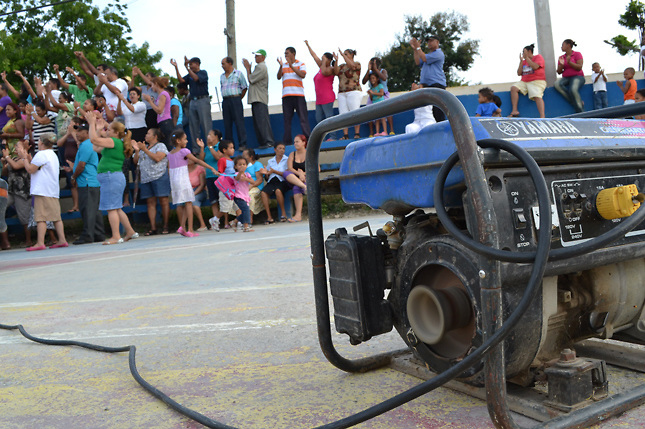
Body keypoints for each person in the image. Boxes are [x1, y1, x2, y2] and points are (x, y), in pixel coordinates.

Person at [85, 113, 138, 245]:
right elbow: (96, 147)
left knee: (111, 208)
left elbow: (93, 140)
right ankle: (130, 231)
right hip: (114, 177)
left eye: (108, 130)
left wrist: (91, 123)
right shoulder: (115, 143)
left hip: (110, 176)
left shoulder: (113, 141)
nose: (106, 131)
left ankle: (116, 236)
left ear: (115, 132)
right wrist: (97, 129)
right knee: (116, 207)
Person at [15, 133, 68, 251]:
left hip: (42, 190)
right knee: (56, 217)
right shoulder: (52, 154)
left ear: (42, 143)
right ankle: (62, 239)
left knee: (40, 217)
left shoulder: (41, 154)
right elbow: (36, 165)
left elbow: (30, 169)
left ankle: (40, 242)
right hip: (52, 189)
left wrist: (23, 158)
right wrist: (28, 157)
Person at [167, 129, 217, 237]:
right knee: (189, 203)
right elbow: (198, 161)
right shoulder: (184, 151)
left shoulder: (170, 154)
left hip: (174, 181)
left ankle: (182, 227)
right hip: (182, 179)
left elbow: (169, 169)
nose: (187, 141)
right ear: (178, 141)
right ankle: (190, 229)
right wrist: (211, 168)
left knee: (185, 203)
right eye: (185, 139)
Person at [69, 119, 105, 244]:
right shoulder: (88, 144)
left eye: (80, 131)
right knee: (94, 210)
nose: (77, 133)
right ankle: (98, 233)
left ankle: (87, 235)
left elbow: (81, 165)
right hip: (91, 181)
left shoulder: (86, 145)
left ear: (87, 133)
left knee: (87, 209)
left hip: (87, 181)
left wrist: (73, 177)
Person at [132, 128, 171, 236]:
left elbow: (158, 158)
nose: (146, 135)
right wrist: (136, 150)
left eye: (148, 133)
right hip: (146, 178)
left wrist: (145, 150)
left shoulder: (160, 146)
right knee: (150, 203)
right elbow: (135, 162)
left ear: (155, 136)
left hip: (159, 176)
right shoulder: (143, 148)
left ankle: (166, 226)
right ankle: (153, 227)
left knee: (163, 201)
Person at [171, 56, 211, 152]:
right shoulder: (190, 75)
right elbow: (181, 81)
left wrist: (187, 68)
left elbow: (196, 78)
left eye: (191, 64)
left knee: (206, 125)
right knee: (193, 127)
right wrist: (176, 67)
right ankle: (196, 150)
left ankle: (210, 148)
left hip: (203, 100)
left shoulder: (203, 73)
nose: (190, 66)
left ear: (197, 64)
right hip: (193, 101)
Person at [1, 139, 32, 247]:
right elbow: (5, 172)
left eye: (18, 146)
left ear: (24, 148)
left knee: (24, 216)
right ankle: (5, 242)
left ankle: (29, 240)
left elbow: (16, 166)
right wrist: (4, 162)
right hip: (11, 190)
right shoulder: (13, 158)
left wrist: (7, 157)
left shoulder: (26, 158)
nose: (16, 148)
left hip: (22, 191)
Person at [277, 47, 311, 145]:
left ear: (293, 53)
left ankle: (308, 139)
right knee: (287, 120)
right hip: (286, 96)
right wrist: (280, 66)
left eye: (287, 53)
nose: (285, 55)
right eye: (285, 53)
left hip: (298, 95)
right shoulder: (283, 65)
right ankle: (287, 141)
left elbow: (302, 75)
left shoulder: (301, 64)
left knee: (303, 119)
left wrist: (292, 66)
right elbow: (278, 77)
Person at [243, 49, 275, 149]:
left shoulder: (261, 67)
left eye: (257, 56)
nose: (255, 57)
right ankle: (263, 142)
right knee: (258, 122)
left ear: (263, 57)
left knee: (262, 122)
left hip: (259, 98)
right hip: (257, 98)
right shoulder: (259, 67)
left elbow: (251, 79)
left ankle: (268, 141)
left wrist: (248, 69)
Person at [410, 35, 447, 122]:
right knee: (429, 112)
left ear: (437, 42)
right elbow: (418, 61)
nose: (429, 43)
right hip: (426, 85)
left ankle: (441, 131)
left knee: (438, 111)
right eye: (428, 41)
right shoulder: (428, 55)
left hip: (437, 84)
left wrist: (418, 47)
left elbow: (423, 58)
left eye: (431, 41)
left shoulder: (439, 53)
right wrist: (415, 49)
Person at [509, 44, 547, 118]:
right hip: (525, 81)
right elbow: (519, 73)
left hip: (537, 81)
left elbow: (535, 67)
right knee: (514, 88)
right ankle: (514, 111)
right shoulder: (524, 61)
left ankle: (542, 116)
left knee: (537, 95)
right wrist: (521, 61)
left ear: (529, 51)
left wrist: (527, 58)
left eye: (524, 52)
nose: (523, 54)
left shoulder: (538, 57)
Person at [304, 41, 336, 127]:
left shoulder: (330, 69)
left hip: (327, 98)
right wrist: (308, 45)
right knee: (318, 119)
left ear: (329, 60)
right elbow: (314, 56)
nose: (322, 61)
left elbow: (325, 72)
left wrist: (325, 61)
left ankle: (333, 137)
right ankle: (322, 138)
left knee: (329, 118)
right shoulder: (321, 67)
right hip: (319, 99)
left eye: (324, 59)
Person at [197, 129, 223, 229]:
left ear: (216, 136)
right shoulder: (207, 148)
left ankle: (225, 221)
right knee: (213, 201)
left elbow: (218, 157)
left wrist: (211, 147)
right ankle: (216, 223)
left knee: (222, 200)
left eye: (210, 135)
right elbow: (201, 159)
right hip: (209, 177)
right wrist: (202, 148)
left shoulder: (220, 146)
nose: (208, 136)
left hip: (219, 176)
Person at [220, 56, 248, 150]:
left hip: (235, 99)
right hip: (225, 100)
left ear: (230, 63)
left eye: (223, 63)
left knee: (239, 123)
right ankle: (229, 146)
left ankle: (242, 144)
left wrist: (238, 98)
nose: (222, 66)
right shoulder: (222, 76)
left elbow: (244, 87)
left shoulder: (238, 74)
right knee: (227, 124)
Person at [334, 48, 362, 139]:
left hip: (353, 91)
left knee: (355, 112)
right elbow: (336, 72)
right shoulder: (342, 66)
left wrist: (343, 55)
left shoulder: (357, 64)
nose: (344, 56)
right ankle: (345, 135)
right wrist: (336, 61)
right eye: (344, 54)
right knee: (343, 114)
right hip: (342, 92)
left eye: (346, 54)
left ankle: (356, 133)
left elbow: (352, 67)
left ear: (351, 55)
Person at [363, 57, 394, 136]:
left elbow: (384, 78)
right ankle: (372, 132)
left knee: (388, 111)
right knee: (369, 111)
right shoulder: (370, 73)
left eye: (372, 64)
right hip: (373, 96)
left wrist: (376, 69)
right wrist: (368, 70)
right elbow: (363, 82)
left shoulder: (382, 70)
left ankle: (391, 130)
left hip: (383, 94)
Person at [211, 139, 238, 230]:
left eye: (233, 148)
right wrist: (217, 173)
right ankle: (215, 219)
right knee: (224, 209)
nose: (233, 149)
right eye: (231, 148)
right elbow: (220, 173)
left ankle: (241, 222)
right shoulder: (222, 160)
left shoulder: (232, 160)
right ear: (224, 150)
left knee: (237, 206)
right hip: (226, 189)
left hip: (232, 188)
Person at [260, 141, 290, 224]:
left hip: (282, 181)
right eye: (279, 148)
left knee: (278, 191)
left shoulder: (287, 159)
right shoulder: (271, 161)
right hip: (272, 181)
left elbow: (286, 173)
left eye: (283, 149)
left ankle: (283, 214)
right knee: (263, 192)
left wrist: (274, 171)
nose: (282, 150)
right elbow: (268, 176)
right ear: (275, 150)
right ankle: (269, 217)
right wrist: (266, 173)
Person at [283, 135, 309, 222]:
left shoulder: (309, 153)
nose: (295, 144)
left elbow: (317, 169)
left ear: (303, 142)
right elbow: (290, 168)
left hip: (306, 179)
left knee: (296, 188)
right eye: (294, 142)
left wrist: (303, 174)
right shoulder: (292, 154)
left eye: (297, 141)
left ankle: (298, 215)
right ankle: (305, 187)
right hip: (293, 178)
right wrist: (299, 174)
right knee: (286, 173)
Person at [142, 77, 173, 150]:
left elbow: (159, 110)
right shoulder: (161, 95)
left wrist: (149, 101)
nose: (151, 87)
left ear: (156, 84)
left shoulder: (163, 94)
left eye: (152, 85)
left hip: (165, 122)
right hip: (162, 122)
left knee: (167, 145)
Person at [554, 39, 585, 113]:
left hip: (578, 76)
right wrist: (561, 65)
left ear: (568, 45)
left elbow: (579, 67)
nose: (561, 47)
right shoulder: (561, 57)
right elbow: (559, 72)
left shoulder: (577, 54)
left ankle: (580, 111)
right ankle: (576, 102)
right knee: (557, 84)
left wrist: (569, 62)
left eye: (563, 45)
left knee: (573, 89)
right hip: (566, 78)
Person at [241, 148, 265, 224]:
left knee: (249, 195)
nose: (242, 157)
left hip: (256, 186)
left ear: (250, 157)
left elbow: (259, 180)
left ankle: (249, 218)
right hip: (245, 187)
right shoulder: (243, 166)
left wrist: (251, 186)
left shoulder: (257, 165)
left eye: (244, 155)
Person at [232, 156, 254, 232]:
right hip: (238, 196)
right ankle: (246, 227)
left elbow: (253, 182)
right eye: (240, 164)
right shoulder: (236, 174)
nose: (242, 166)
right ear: (236, 166)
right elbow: (237, 178)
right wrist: (241, 172)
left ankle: (234, 222)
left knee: (245, 211)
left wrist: (246, 179)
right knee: (246, 209)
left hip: (245, 195)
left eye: (244, 164)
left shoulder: (247, 174)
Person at [187, 157, 208, 232]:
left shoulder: (200, 168)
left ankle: (203, 224)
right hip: (187, 191)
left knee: (193, 202)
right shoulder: (183, 170)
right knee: (180, 204)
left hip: (198, 190)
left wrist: (193, 194)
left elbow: (202, 185)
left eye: (189, 158)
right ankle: (182, 226)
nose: (188, 159)